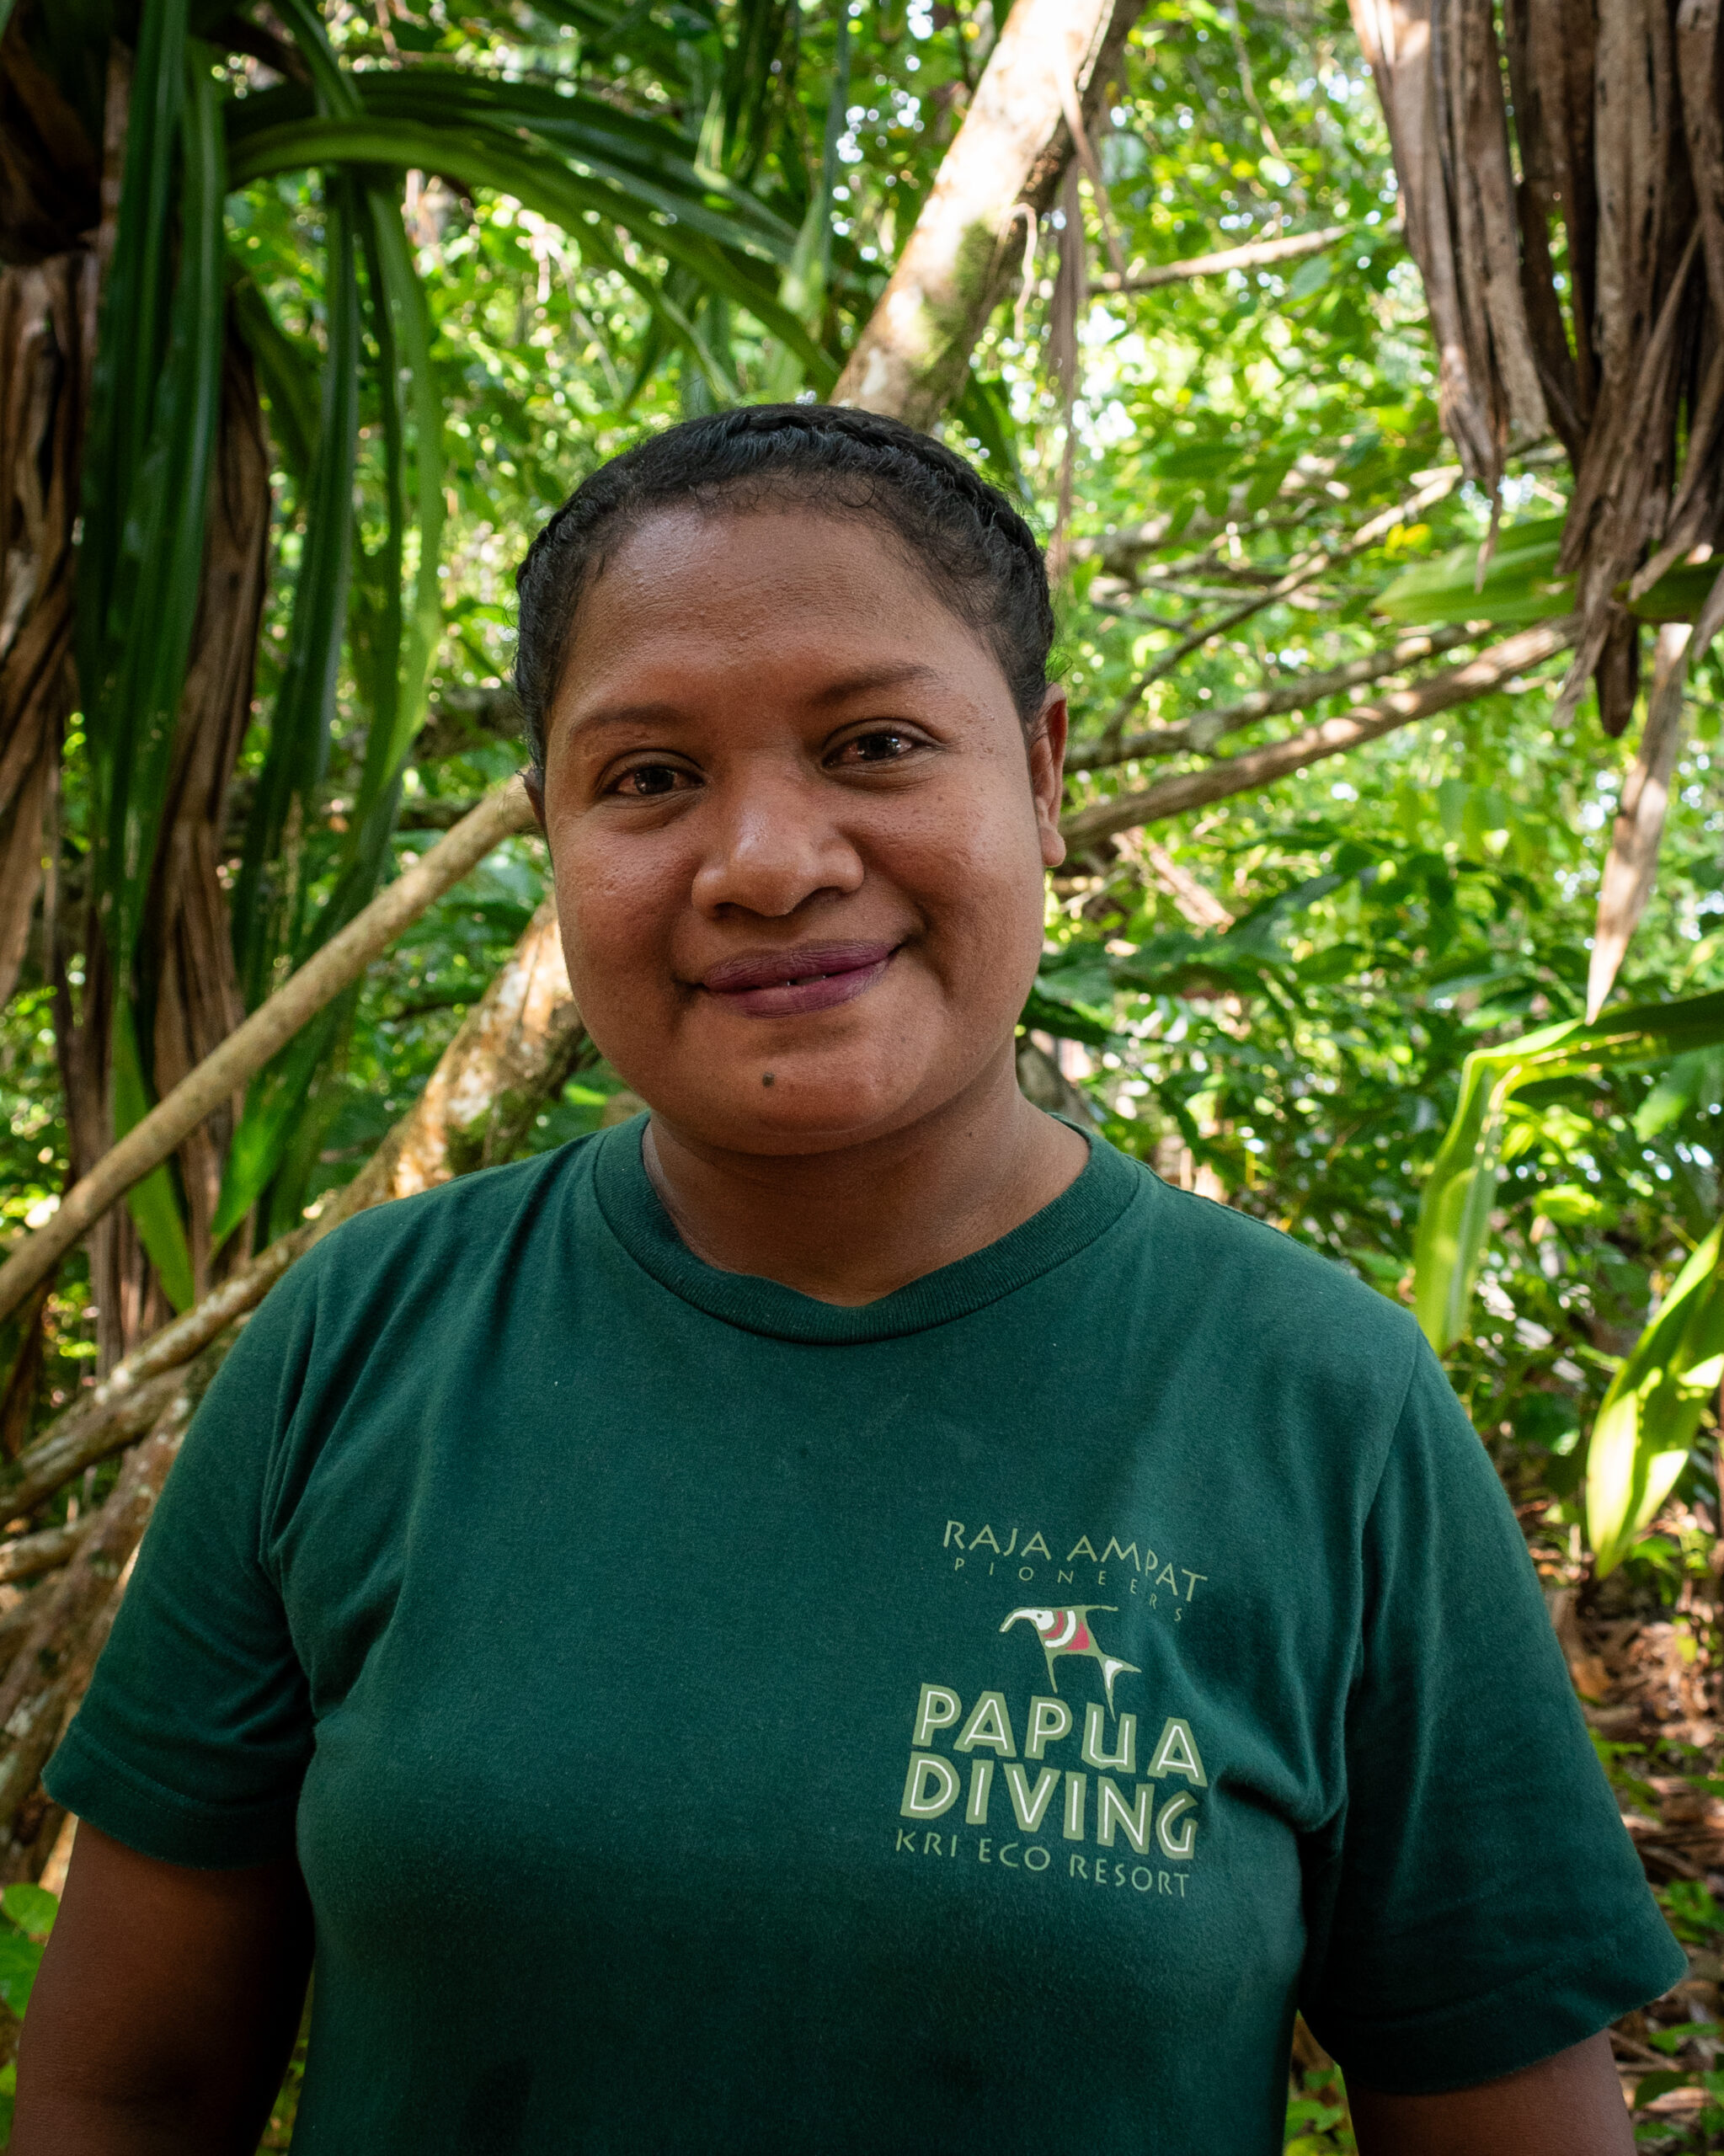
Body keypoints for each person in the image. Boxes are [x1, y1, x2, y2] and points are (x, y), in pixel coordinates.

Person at [13, 406, 1679, 2153]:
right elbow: (125, 2087)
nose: (767, 862)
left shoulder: (1320, 1400)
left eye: (875, 742)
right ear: (549, 833)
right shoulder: (363, 1339)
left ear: (1039, 773)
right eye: (647, 776)